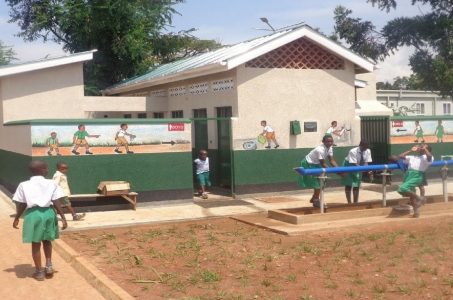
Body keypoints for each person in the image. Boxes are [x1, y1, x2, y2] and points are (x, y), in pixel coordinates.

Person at [12, 160, 68, 281]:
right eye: (46, 168)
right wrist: (63, 218)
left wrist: (17, 218)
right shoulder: (51, 183)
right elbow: (56, 202)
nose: (48, 170)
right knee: (47, 240)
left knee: (35, 243)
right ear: (41, 170)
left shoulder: (23, 184)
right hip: (48, 213)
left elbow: (22, 204)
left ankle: (39, 272)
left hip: (33, 214)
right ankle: (48, 266)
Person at [298, 135, 341, 208]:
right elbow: (323, 164)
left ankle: (314, 198)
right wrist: (333, 171)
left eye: (331, 141)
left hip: (316, 163)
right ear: (323, 142)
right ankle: (316, 200)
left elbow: (332, 160)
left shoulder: (330, 148)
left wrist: (339, 170)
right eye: (327, 141)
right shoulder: (320, 149)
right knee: (317, 182)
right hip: (308, 163)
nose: (330, 143)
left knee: (322, 181)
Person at [397, 144, 433, 218]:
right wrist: (411, 150)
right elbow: (400, 156)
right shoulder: (414, 157)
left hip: (417, 175)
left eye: (424, 146)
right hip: (408, 175)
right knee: (411, 196)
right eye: (421, 146)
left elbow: (429, 157)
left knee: (402, 188)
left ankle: (419, 198)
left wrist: (424, 149)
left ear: (427, 150)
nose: (421, 147)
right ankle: (416, 213)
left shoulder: (428, 157)